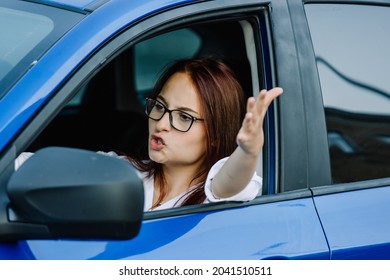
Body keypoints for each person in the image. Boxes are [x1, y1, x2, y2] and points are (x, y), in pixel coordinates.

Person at [15, 58, 283, 211]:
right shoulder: (124, 171)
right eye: (160, 106)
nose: (162, 123)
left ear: (214, 134)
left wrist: (248, 151)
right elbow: (30, 167)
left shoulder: (215, 189)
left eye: (183, 117)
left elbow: (231, 180)